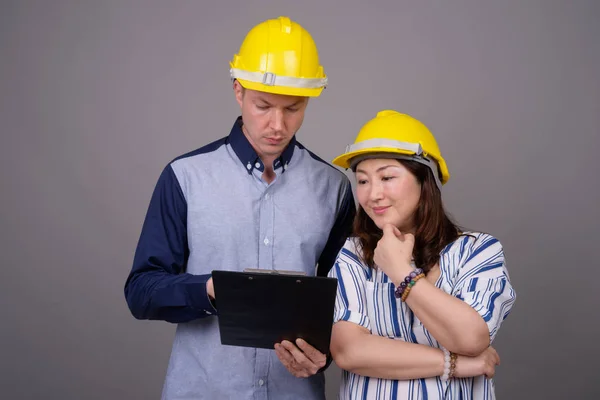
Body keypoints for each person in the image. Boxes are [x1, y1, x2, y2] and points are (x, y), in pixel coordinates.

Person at [124, 16, 355, 400]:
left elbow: (348, 304)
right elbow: (141, 290)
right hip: (202, 390)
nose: (277, 125)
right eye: (263, 105)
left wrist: (324, 355)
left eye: (293, 109)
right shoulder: (185, 177)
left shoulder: (334, 189)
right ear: (238, 91)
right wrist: (212, 290)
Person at [327, 110, 517, 399]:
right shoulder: (352, 255)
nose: (372, 194)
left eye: (387, 177)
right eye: (363, 181)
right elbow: (349, 351)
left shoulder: (478, 251)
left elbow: (470, 338)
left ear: (423, 181)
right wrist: (456, 364)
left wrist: (401, 271)